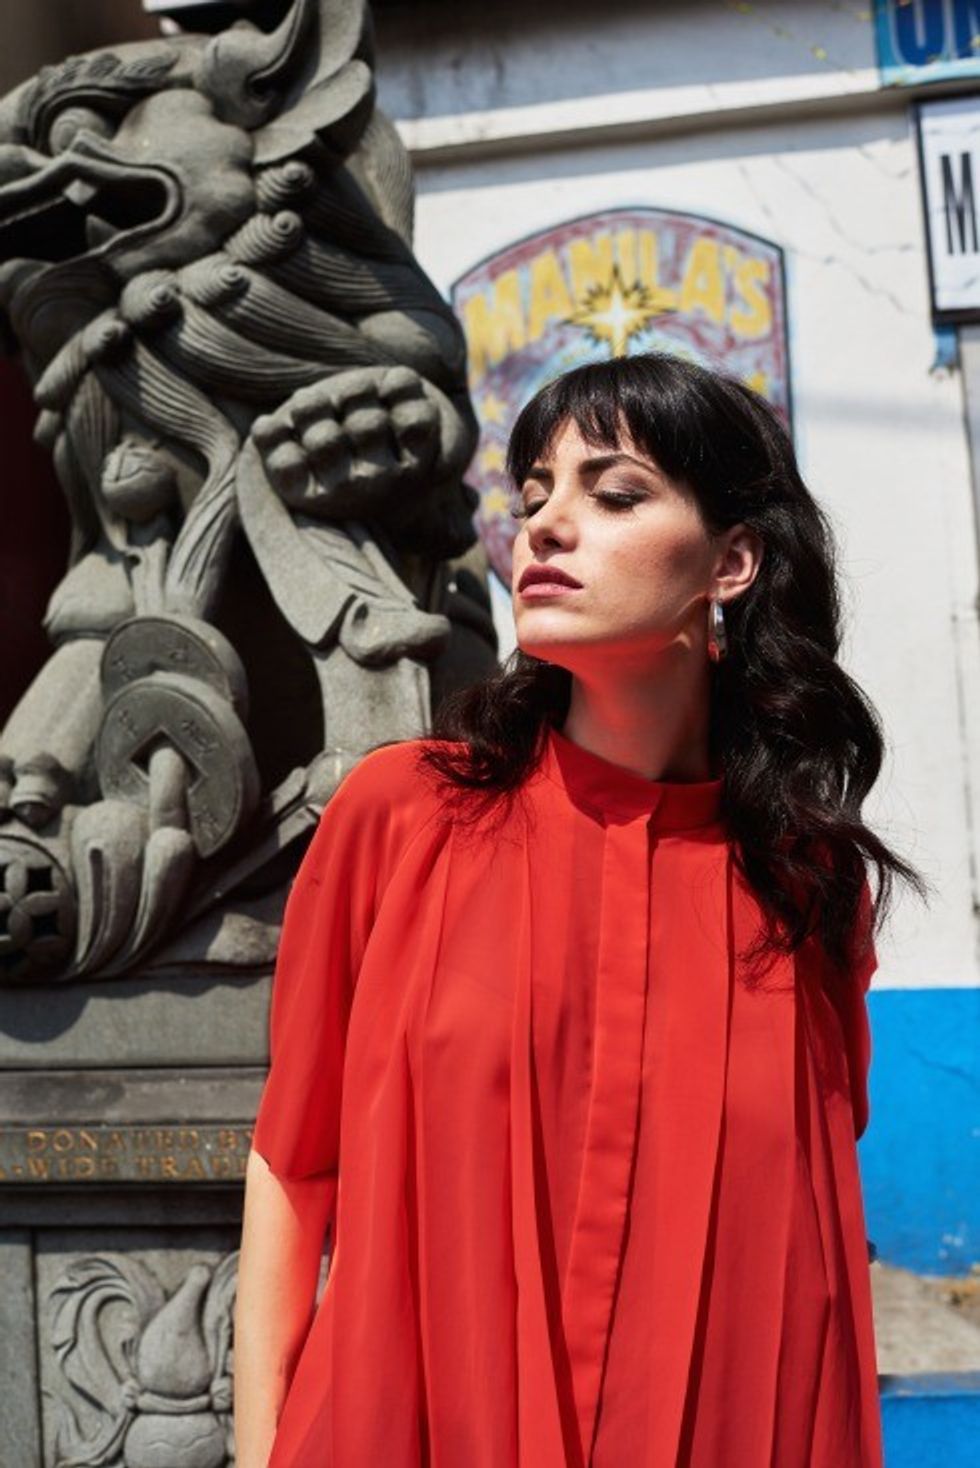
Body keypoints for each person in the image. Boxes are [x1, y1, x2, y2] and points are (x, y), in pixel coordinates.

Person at [233, 353, 927, 1468]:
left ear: (731, 562)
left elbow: (806, 1259)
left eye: (611, 494)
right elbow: (292, 1161)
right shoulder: (402, 817)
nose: (546, 527)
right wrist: (258, 1449)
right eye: (533, 495)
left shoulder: (802, 888)